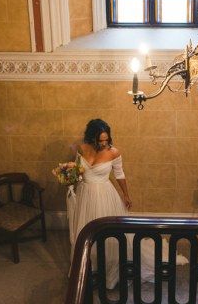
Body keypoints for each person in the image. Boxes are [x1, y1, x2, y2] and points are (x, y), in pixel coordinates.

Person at [70, 119, 186, 289]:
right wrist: (69, 179)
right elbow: (77, 172)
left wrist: (126, 195)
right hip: (85, 195)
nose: (103, 143)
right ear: (91, 138)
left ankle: (109, 270)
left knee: (109, 237)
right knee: (85, 232)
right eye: (100, 140)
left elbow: (120, 174)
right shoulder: (82, 148)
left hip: (104, 196)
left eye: (106, 140)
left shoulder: (114, 152)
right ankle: (88, 269)